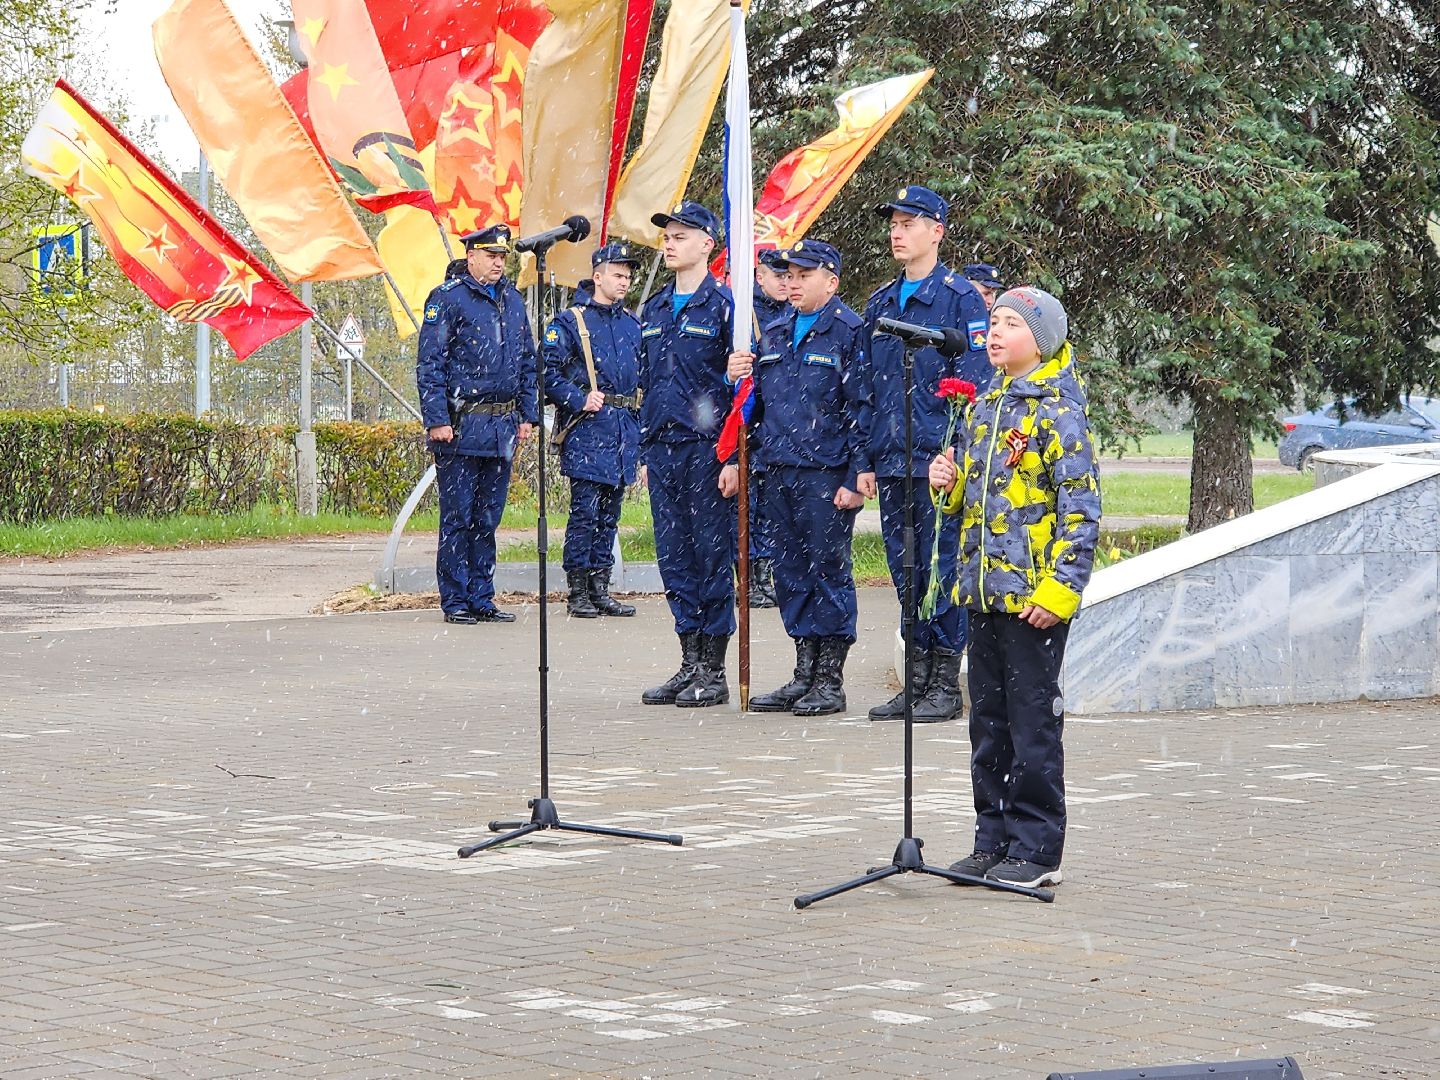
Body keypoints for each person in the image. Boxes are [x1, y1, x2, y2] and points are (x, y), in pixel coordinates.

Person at [927, 286, 1100, 889]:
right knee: (989, 726)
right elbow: (968, 503)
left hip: (1032, 602)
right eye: (992, 322)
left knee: (1032, 728)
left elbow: (1082, 513)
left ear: (1042, 338)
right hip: (983, 594)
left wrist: (1059, 592)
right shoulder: (982, 408)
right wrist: (945, 483)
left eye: (1010, 324)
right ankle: (991, 840)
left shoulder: (1058, 411)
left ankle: (1036, 849)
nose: (994, 333)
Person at [726, 240, 873, 715]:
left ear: (831, 281)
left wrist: (855, 474)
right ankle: (803, 670)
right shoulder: (773, 332)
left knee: (827, 572)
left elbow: (861, 408)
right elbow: (757, 406)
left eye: (803, 275)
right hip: (778, 470)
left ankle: (830, 678)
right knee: (790, 575)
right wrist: (738, 453)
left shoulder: (849, 331)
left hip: (825, 474)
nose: (791, 283)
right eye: (788, 275)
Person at [863, 185, 992, 723]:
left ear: (936, 231)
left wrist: (959, 454)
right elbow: (866, 387)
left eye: (910, 222)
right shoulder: (879, 303)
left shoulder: (960, 299)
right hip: (893, 459)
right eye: (893, 222)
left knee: (941, 567)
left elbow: (976, 383)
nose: (898, 231)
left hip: (938, 461)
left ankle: (943, 682)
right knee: (905, 570)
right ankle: (915, 679)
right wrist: (867, 457)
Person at [638, 201, 737, 708]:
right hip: (663, 447)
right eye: (668, 235)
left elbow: (741, 390)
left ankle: (714, 669)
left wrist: (734, 457)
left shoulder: (725, 307)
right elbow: (647, 382)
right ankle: (688, 660)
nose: (671, 243)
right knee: (674, 557)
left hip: (707, 449)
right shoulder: (654, 309)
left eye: (682, 235)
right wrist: (642, 446)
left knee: (711, 557)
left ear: (707, 244)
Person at [416, 223, 538, 624]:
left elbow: (526, 361)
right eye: (491, 256)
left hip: (501, 428)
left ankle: (482, 598)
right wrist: (437, 419)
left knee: (488, 518)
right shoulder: (447, 299)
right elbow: (430, 364)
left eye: (503, 257)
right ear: (471, 256)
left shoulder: (513, 301)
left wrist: (527, 414)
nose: (498, 263)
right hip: (462, 426)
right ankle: (455, 599)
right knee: (458, 518)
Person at [543, 241, 644, 619]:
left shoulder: (632, 324)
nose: (624, 282)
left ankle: (600, 587)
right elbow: (546, 372)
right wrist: (577, 397)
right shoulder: (571, 322)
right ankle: (578, 589)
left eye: (628, 276)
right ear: (597, 275)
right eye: (618, 275)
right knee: (585, 512)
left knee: (609, 513)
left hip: (622, 429)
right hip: (588, 429)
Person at [743, 248, 791, 609]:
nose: (785, 282)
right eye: (778, 276)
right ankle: (750, 578)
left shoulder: (793, 313)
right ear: (760, 276)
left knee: (772, 510)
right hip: (753, 425)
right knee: (750, 506)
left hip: (780, 424)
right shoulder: (748, 315)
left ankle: (767, 575)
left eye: (789, 276)